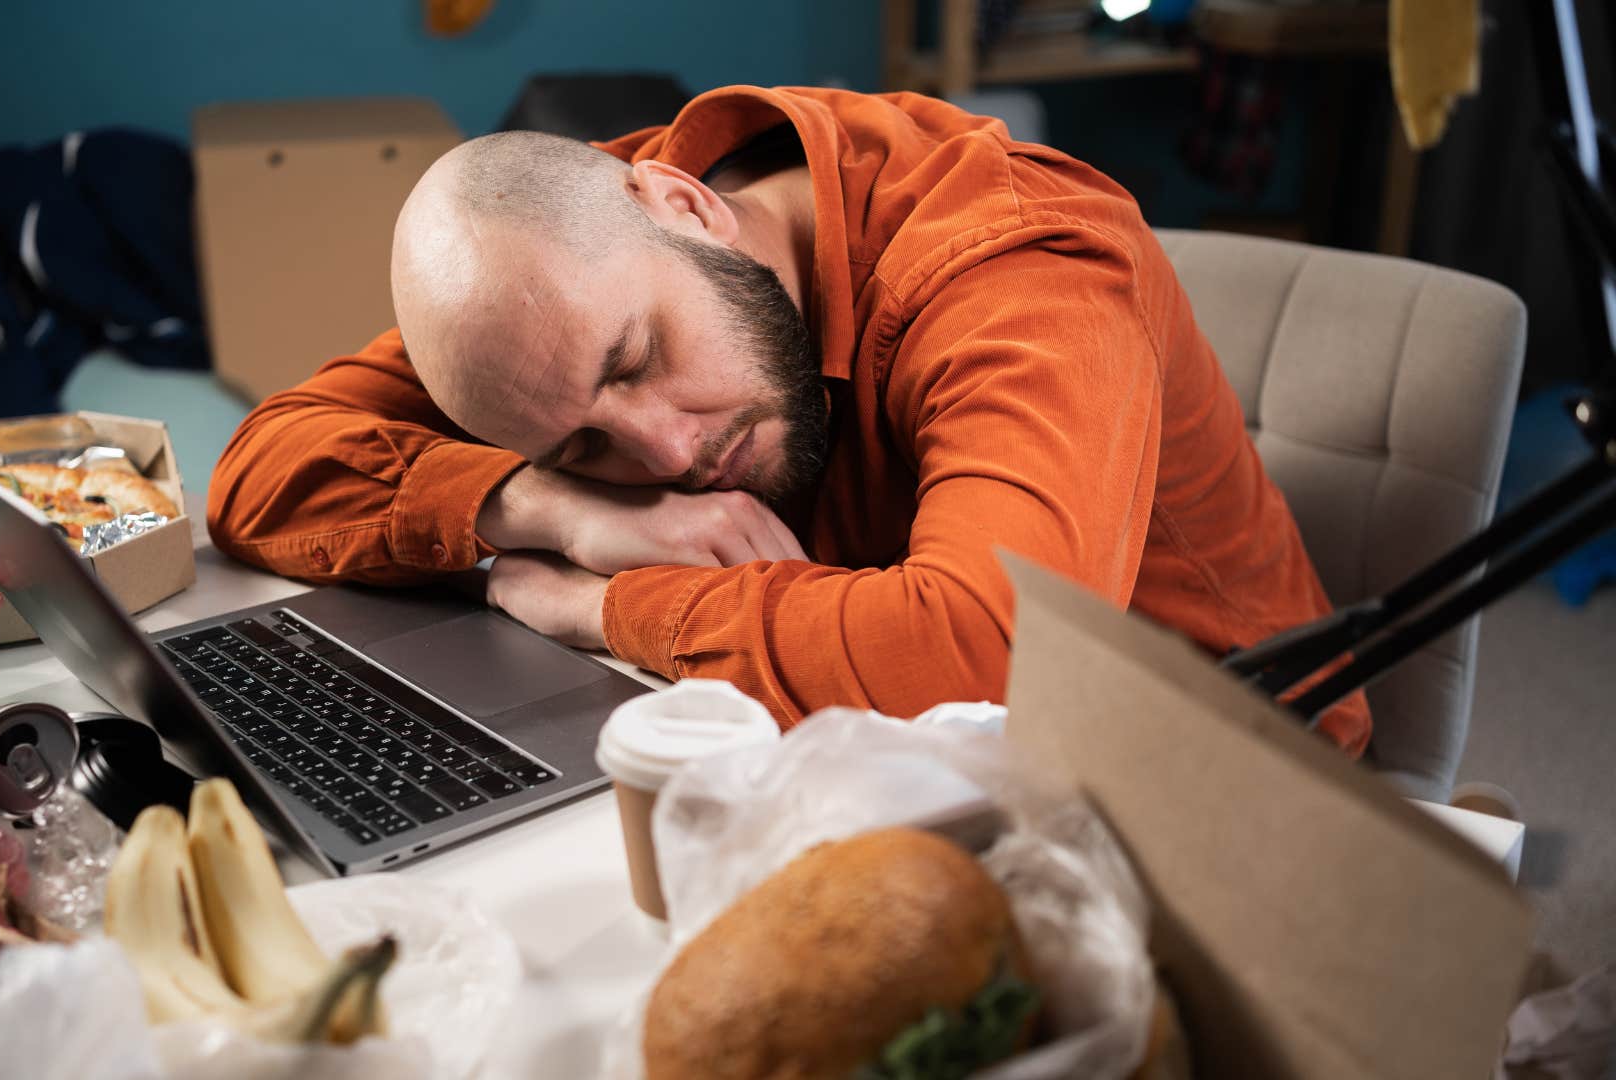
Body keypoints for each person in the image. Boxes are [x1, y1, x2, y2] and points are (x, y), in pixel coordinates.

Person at [207, 86, 1371, 754]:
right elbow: (260, 471)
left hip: (1210, 772)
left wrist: (595, 600)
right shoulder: (572, 276)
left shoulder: (1015, 262)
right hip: (881, 750)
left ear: (684, 204)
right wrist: (545, 507)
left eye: (641, 358)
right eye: (585, 443)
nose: (664, 453)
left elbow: (986, 653)